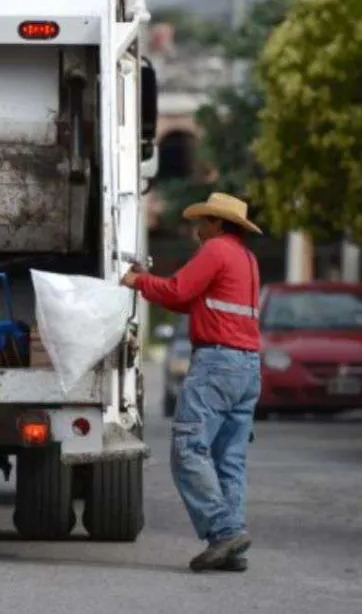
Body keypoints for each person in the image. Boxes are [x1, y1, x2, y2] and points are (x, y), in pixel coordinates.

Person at [121, 192, 262, 573]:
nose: (197, 228)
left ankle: (224, 532)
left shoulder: (215, 251)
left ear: (218, 223)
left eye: (203, 221)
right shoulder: (245, 257)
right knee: (228, 459)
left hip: (217, 364)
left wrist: (135, 280)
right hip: (247, 367)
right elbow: (190, 301)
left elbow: (179, 290)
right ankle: (231, 545)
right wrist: (149, 283)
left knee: (188, 449)